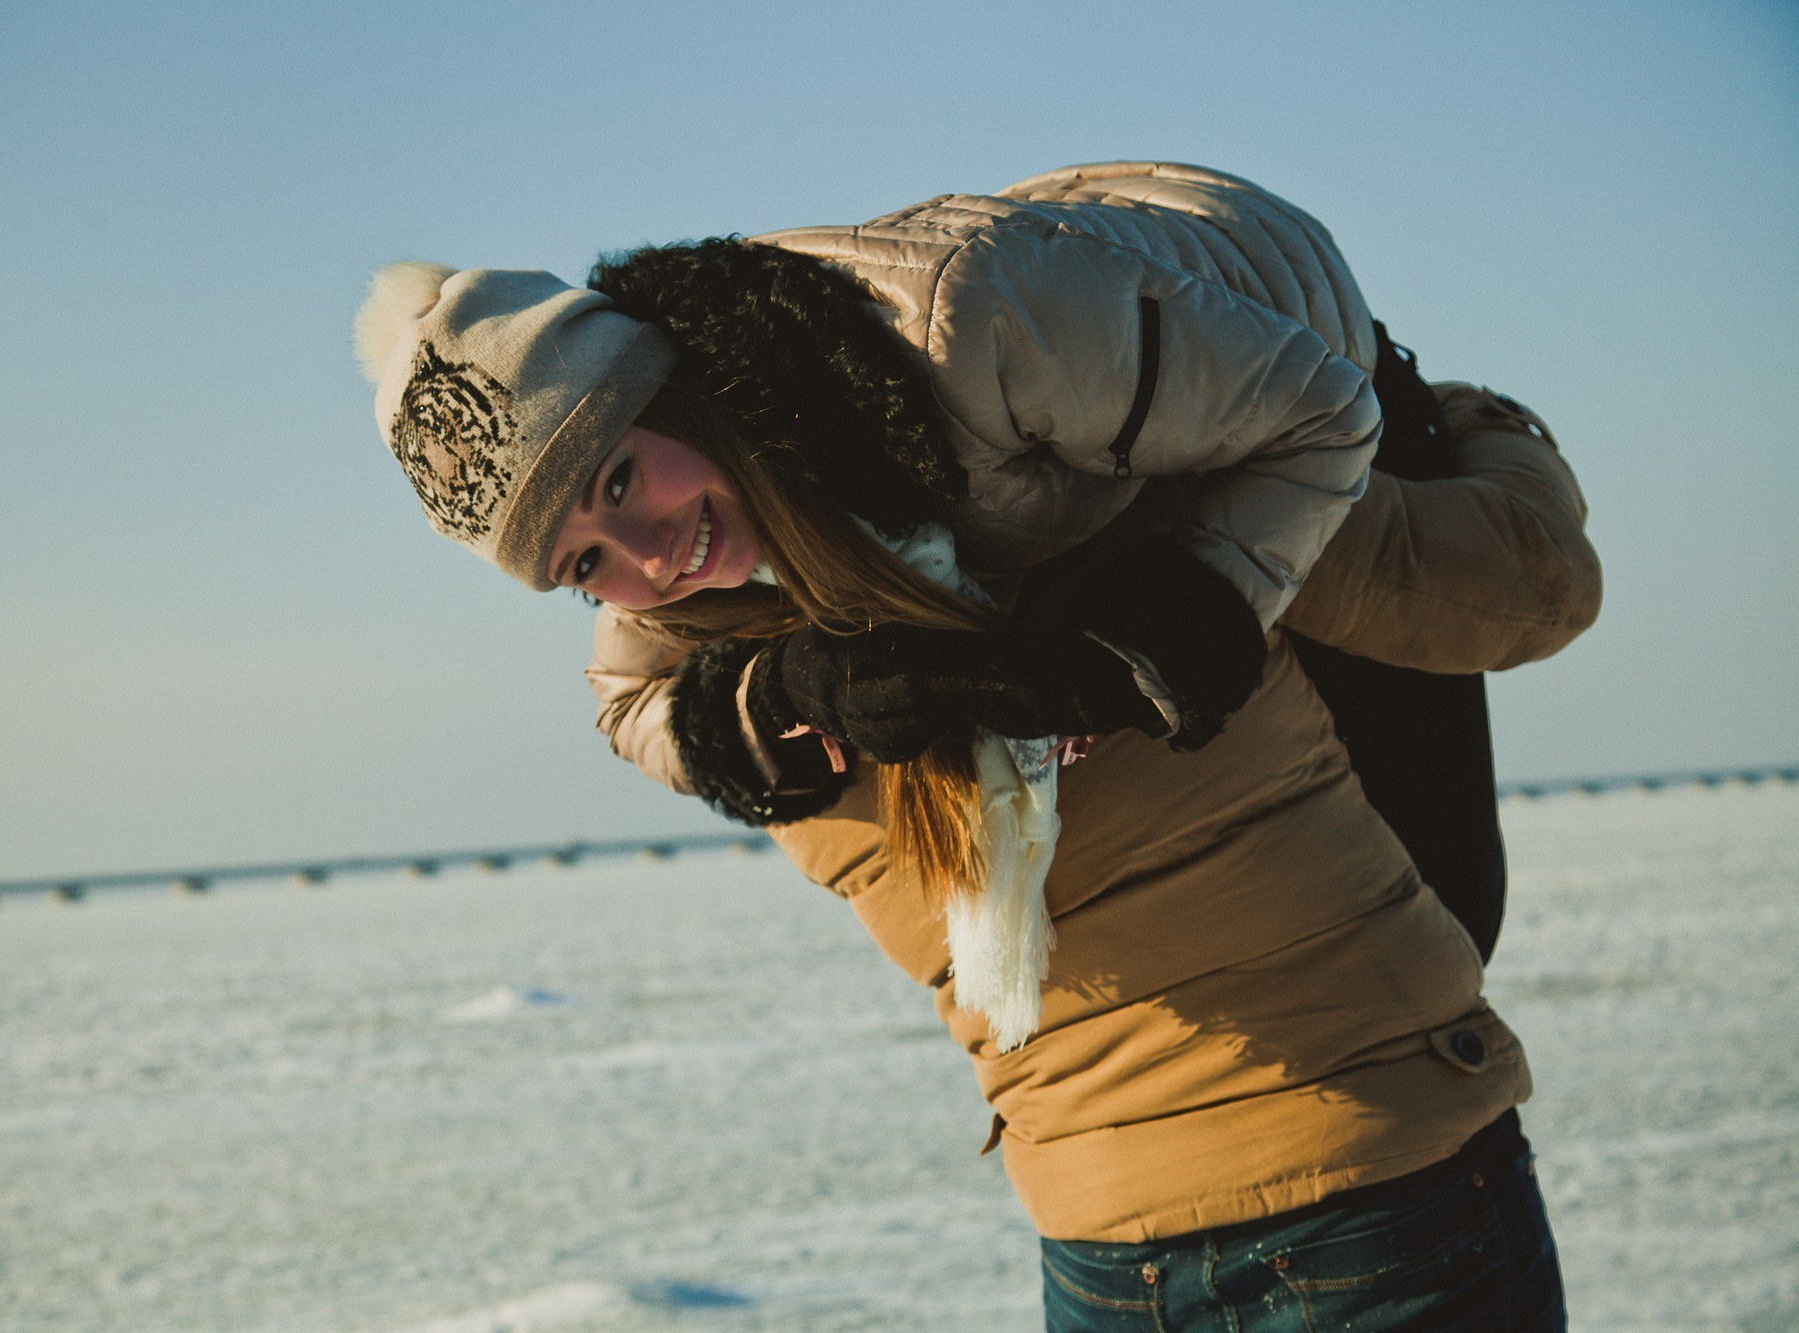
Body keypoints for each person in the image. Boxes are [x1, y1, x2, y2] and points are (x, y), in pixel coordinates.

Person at [353, 161, 1600, 1330]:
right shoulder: (685, 606)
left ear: (661, 386)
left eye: (621, 481)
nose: (646, 559)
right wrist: (782, 694)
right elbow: (632, 708)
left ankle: (1455, 415)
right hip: (1111, 1239)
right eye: (582, 566)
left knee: (1507, 593)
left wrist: (1181, 614)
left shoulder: (970, 325)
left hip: (1271, 335)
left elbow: (1316, 416)